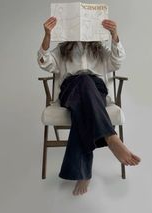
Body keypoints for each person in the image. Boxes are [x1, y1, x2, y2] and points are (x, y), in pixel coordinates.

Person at [37, 16, 141, 196]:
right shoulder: (63, 49)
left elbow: (117, 61)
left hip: (96, 91)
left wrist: (114, 35)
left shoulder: (99, 49)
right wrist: (47, 35)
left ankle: (83, 174)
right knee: (82, 81)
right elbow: (44, 62)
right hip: (71, 89)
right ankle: (110, 137)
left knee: (84, 102)